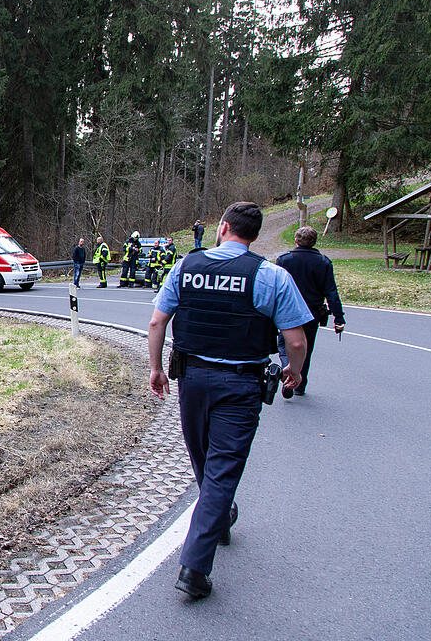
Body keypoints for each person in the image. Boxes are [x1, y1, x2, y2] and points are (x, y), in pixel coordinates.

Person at [148, 201, 311, 600]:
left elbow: (157, 321)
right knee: (221, 470)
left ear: (222, 227)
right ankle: (194, 567)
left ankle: (218, 519)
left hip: (192, 380)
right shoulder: (271, 276)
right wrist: (295, 371)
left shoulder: (185, 266)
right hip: (240, 385)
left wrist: (156, 369)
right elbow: (295, 341)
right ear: (254, 235)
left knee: (203, 458)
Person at [275, 226, 347, 398]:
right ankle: (299, 384)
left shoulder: (284, 260)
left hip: (288, 311)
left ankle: (288, 372)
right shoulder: (323, 262)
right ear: (314, 242)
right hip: (312, 312)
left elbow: (276, 288)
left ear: (296, 240)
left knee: (284, 344)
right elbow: (331, 292)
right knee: (306, 347)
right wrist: (339, 317)